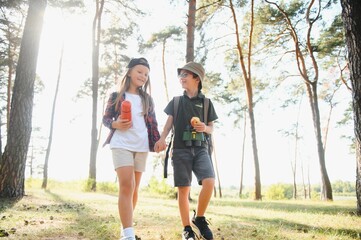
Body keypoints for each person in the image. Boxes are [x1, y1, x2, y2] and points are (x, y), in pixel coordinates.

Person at [154, 62, 218, 240]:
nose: (181, 78)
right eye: (180, 75)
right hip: (180, 149)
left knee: (210, 181)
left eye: (185, 75)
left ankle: (199, 218)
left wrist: (204, 127)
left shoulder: (206, 103)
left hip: (201, 149)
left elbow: (211, 128)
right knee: (184, 190)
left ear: (196, 78)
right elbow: (167, 126)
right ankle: (187, 229)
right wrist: (161, 139)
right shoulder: (176, 102)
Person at [103, 57, 160, 240]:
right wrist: (115, 124)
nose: (143, 76)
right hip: (121, 144)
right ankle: (128, 235)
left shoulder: (147, 99)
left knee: (134, 189)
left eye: (146, 74)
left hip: (141, 146)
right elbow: (106, 119)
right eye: (140, 72)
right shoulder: (116, 96)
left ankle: (124, 226)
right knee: (127, 185)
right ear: (129, 72)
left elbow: (153, 124)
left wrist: (158, 141)